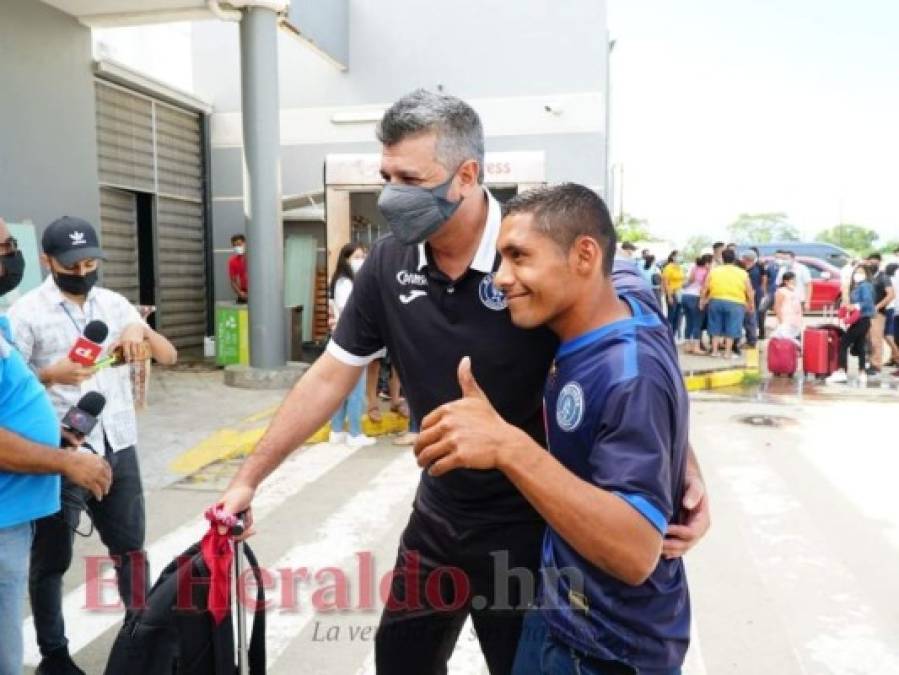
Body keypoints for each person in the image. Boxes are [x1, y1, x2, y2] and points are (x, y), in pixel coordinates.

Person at [217, 89, 710, 674]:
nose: (391, 193)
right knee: (399, 662)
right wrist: (250, 479)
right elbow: (330, 375)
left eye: (409, 176)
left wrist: (681, 467)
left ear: (466, 175)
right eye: (386, 174)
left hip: (530, 523)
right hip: (440, 516)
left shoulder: (540, 259)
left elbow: (636, 361)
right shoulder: (388, 263)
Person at [413, 184, 691, 674]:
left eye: (519, 257)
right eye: (500, 257)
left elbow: (635, 552)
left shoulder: (629, 374)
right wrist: (682, 459)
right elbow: (622, 269)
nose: (500, 279)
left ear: (585, 255)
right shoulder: (628, 298)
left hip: (609, 648)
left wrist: (508, 447)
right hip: (558, 614)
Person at [8, 216, 177, 674]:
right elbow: (12, 384)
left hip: (118, 443)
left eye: (90, 261)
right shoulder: (24, 314)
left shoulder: (113, 302)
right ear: (48, 261)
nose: (83, 270)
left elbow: (169, 355)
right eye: (72, 263)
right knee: (52, 561)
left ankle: (141, 641)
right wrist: (52, 374)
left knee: (131, 551)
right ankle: (55, 655)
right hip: (62, 452)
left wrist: (139, 331)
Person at [0, 220, 111, 675]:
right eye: (4, 247)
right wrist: (65, 461)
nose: (11, 256)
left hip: (13, 515)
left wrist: (56, 437)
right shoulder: (26, 313)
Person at [328, 243, 376, 448]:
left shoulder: (339, 281)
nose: (361, 260)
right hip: (353, 340)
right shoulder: (346, 283)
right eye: (357, 256)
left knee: (342, 388)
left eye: (363, 256)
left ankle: (337, 430)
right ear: (346, 259)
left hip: (341, 339)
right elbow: (352, 311)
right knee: (355, 389)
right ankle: (355, 433)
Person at [701, 248, 753, 359]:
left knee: (714, 326)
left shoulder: (714, 271)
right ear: (734, 259)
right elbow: (749, 291)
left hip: (716, 300)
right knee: (732, 327)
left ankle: (714, 351)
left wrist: (702, 301)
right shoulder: (742, 273)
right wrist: (751, 304)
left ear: (722, 258)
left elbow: (705, 287)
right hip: (736, 303)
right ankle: (727, 353)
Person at [827, 265, 875, 384]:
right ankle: (862, 373)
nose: (858, 274)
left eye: (861, 272)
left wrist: (855, 306)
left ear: (866, 273)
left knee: (844, 343)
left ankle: (842, 371)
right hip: (863, 320)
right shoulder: (862, 286)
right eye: (856, 272)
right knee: (860, 346)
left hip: (861, 319)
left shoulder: (864, 286)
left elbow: (867, 301)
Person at [867, 253, 897, 375]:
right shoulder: (868, 277)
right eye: (870, 262)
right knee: (868, 339)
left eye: (875, 262)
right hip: (866, 312)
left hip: (878, 313)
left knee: (876, 339)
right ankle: (871, 363)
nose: (872, 264)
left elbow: (891, 294)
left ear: (879, 263)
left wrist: (878, 306)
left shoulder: (883, 277)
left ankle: (876, 365)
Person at [681, 254, 712, 355]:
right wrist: (703, 301)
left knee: (688, 322)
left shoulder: (694, 268)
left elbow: (689, 281)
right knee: (697, 323)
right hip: (696, 297)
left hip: (686, 295)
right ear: (707, 263)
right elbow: (704, 288)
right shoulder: (707, 272)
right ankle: (696, 348)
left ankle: (687, 345)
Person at [740, 249, 764, 348]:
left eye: (743, 258)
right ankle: (750, 340)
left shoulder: (753, 272)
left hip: (752, 297)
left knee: (750, 319)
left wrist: (750, 303)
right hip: (751, 296)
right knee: (748, 320)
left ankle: (751, 342)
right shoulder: (749, 269)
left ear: (747, 259)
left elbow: (752, 290)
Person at [661, 250, 685, 339]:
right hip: (672, 293)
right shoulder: (668, 268)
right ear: (673, 257)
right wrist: (669, 296)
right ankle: (668, 334)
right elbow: (665, 282)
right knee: (672, 314)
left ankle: (674, 334)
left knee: (678, 315)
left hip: (680, 293)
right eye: (678, 256)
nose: (679, 257)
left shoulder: (679, 267)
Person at [773, 271, 803, 339]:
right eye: (793, 280)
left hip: (795, 321)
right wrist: (781, 321)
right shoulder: (781, 291)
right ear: (786, 281)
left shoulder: (796, 290)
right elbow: (777, 307)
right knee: (786, 341)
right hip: (786, 321)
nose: (795, 281)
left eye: (795, 279)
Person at [228, 233, 248, 304]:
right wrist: (240, 293)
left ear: (245, 243)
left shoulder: (254, 258)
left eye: (239, 244)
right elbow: (233, 281)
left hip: (257, 293)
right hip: (243, 293)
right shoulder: (232, 261)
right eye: (235, 245)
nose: (237, 247)